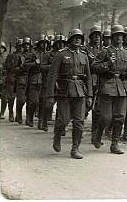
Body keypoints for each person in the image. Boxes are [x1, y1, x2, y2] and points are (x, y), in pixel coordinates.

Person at [44, 29, 93, 159]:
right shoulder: (61, 54)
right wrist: (50, 95)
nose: (77, 40)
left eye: (80, 38)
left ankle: (75, 148)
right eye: (75, 38)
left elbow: (88, 77)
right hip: (64, 91)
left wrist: (90, 95)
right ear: (70, 40)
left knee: (79, 122)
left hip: (80, 91)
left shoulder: (84, 56)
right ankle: (57, 135)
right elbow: (52, 75)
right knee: (64, 120)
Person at [91, 25, 127, 154]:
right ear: (112, 37)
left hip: (122, 87)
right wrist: (107, 64)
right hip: (107, 86)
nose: (119, 38)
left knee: (120, 117)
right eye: (116, 36)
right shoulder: (105, 51)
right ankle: (98, 133)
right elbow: (94, 67)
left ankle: (114, 144)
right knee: (106, 118)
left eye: (121, 36)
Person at [84, 25, 102, 143]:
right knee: (84, 108)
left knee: (97, 110)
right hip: (87, 81)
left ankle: (94, 136)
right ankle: (78, 131)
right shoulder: (85, 49)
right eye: (94, 35)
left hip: (99, 81)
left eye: (98, 36)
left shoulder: (103, 50)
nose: (97, 38)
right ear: (90, 37)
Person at [15, 37, 33, 124]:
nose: (26, 46)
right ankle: (18, 115)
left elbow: (37, 66)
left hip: (31, 79)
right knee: (21, 100)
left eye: (28, 45)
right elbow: (15, 68)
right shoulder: (19, 56)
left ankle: (28, 118)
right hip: (21, 79)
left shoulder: (33, 55)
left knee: (30, 100)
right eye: (25, 45)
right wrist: (21, 67)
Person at [0, 41, 8, 119]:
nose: (0, 49)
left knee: (4, 97)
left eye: (1, 48)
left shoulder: (7, 57)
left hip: (3, 78)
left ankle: (2, 112)